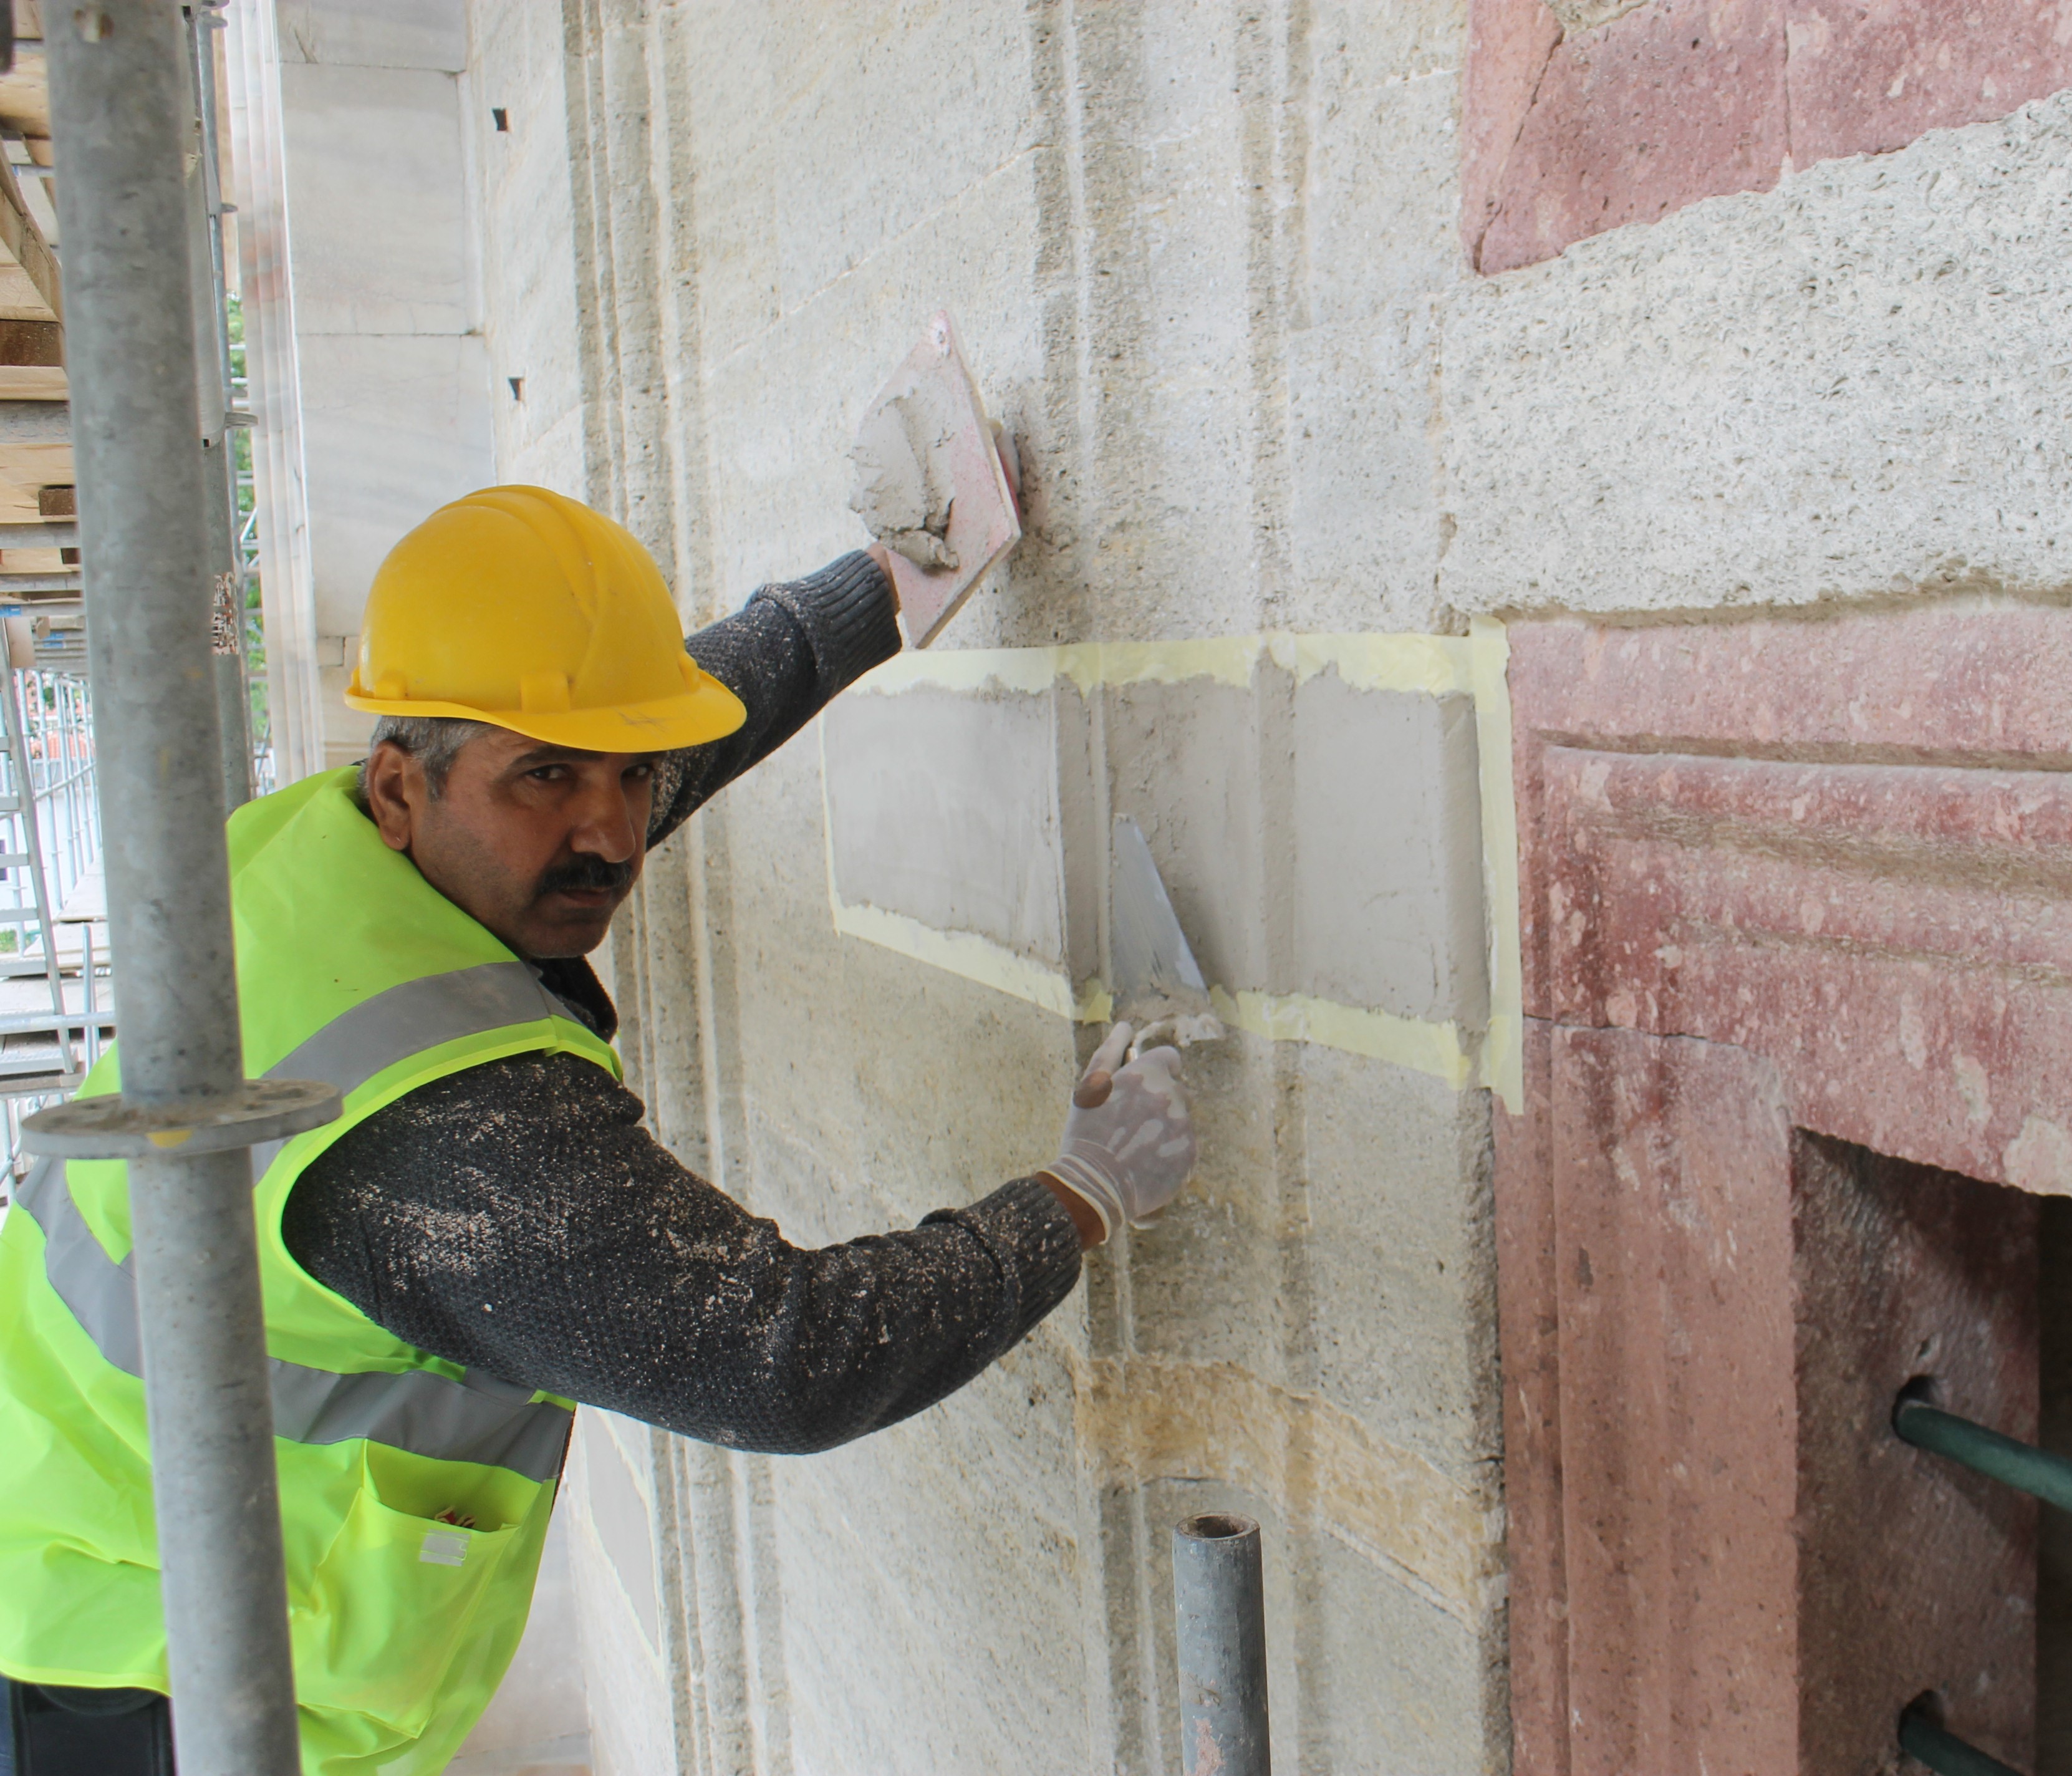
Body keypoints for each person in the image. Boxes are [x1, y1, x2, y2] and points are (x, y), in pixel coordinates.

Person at [0, 485, 1196, 1776]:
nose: (613, 832)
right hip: (154, 1681)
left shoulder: (329, 855)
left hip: (64, 1528)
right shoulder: (454, 1134)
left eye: (629, 775)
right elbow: (784, 1358)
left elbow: (665, 729)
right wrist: (1079, 1193)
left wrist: (876, 588)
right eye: (550, 778)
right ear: (403, 783)